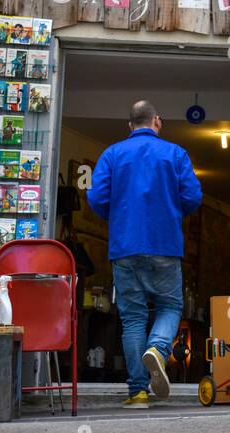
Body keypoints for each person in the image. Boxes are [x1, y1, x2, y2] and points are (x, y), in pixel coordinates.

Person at [86, 101, 202, 409]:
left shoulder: (112, 154)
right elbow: (193, 196)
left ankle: (138, 391)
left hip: (125, 247)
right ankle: (158, 348)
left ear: (129, 125)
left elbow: (97, 197)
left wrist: (118, 214)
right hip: (164, 244)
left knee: (133, 317)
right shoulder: (176, 154)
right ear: (157, 122)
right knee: (170, 305)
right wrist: (172, 209)